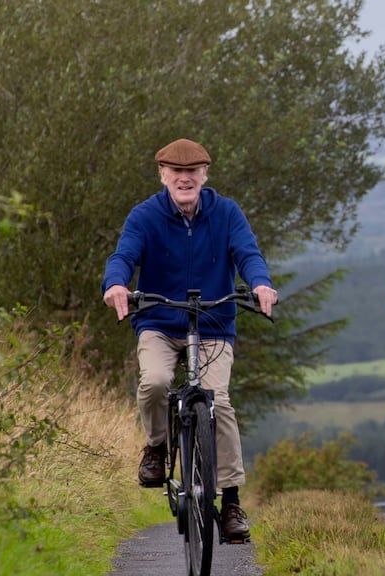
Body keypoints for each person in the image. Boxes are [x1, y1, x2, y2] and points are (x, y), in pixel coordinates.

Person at [101, 138, 279, 542]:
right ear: (162, 175)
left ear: (204, 175)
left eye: (193, 171)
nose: (185, 178)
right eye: (176, 172)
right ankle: (157, 448)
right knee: (156, 382)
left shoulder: (227, 212)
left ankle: (231, 500)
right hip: (159, 322)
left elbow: (248, 255)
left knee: (218, 401)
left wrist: (262, 285)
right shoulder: (145, 216)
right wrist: (115, 285)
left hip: (213, 323)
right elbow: (124, 256)